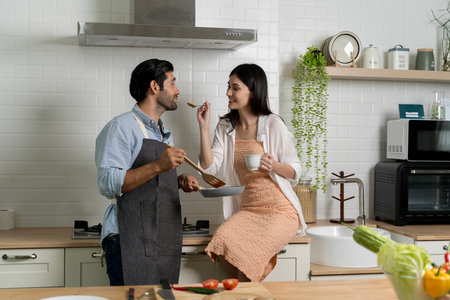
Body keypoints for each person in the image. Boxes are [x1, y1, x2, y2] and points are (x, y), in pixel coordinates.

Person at [196, 63, 307, 282]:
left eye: (235, 88)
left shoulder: (273, 124)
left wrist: (274, 165)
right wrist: (203, 128)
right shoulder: (226, 126)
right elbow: (209, 168)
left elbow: (296, 170)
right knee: (224, 239)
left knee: (247, 265)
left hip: (280, 211)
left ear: (253, 91)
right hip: (248, 210)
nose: (228, 93)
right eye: (228, 86)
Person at [95, 58, 199, 286]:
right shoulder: (121, 128)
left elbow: (151, 179)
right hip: (128, 238)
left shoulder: (164, 133)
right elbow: (107, 183)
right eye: (172, 83)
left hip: (162, 238)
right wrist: (158, 166)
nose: (177, 90)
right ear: (155, 86)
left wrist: (176, 180)